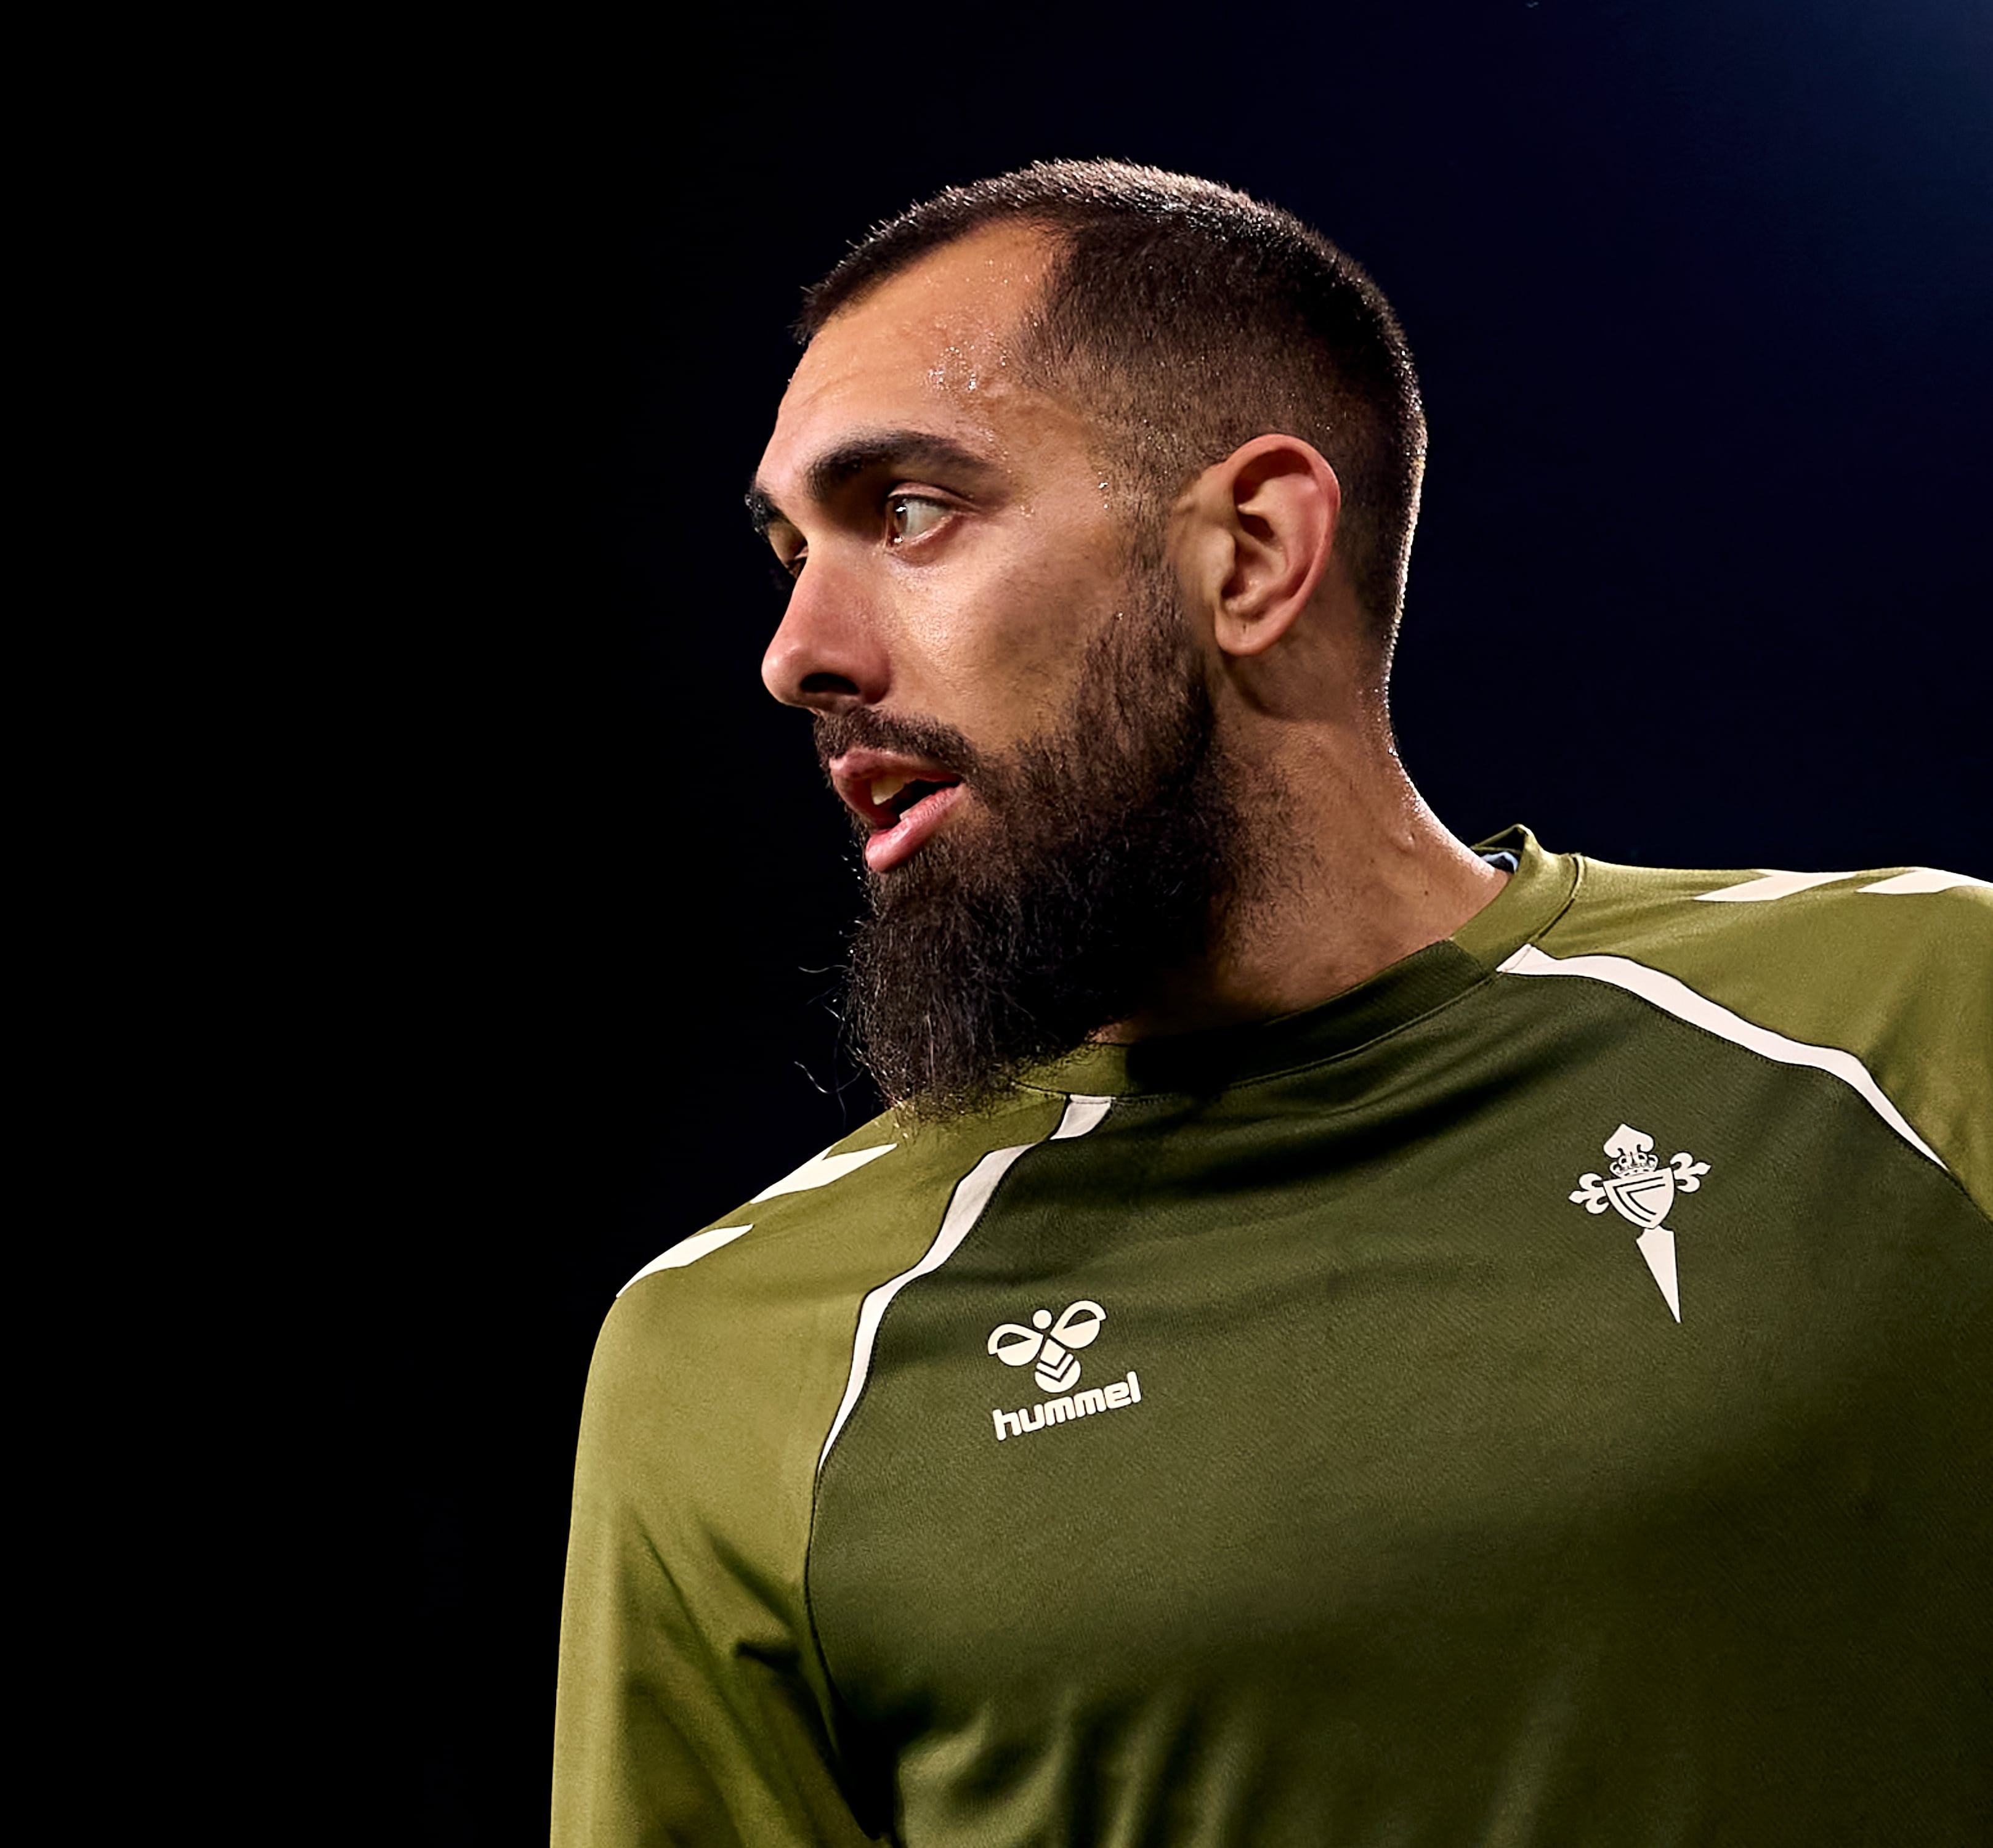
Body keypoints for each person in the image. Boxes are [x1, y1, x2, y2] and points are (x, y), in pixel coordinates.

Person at [553, 161, 1990, 1847]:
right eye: (791, 553)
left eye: (911, 512)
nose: (797, 653)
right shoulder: (732, 1358)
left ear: (1251, 552)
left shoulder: (1920, 1024)